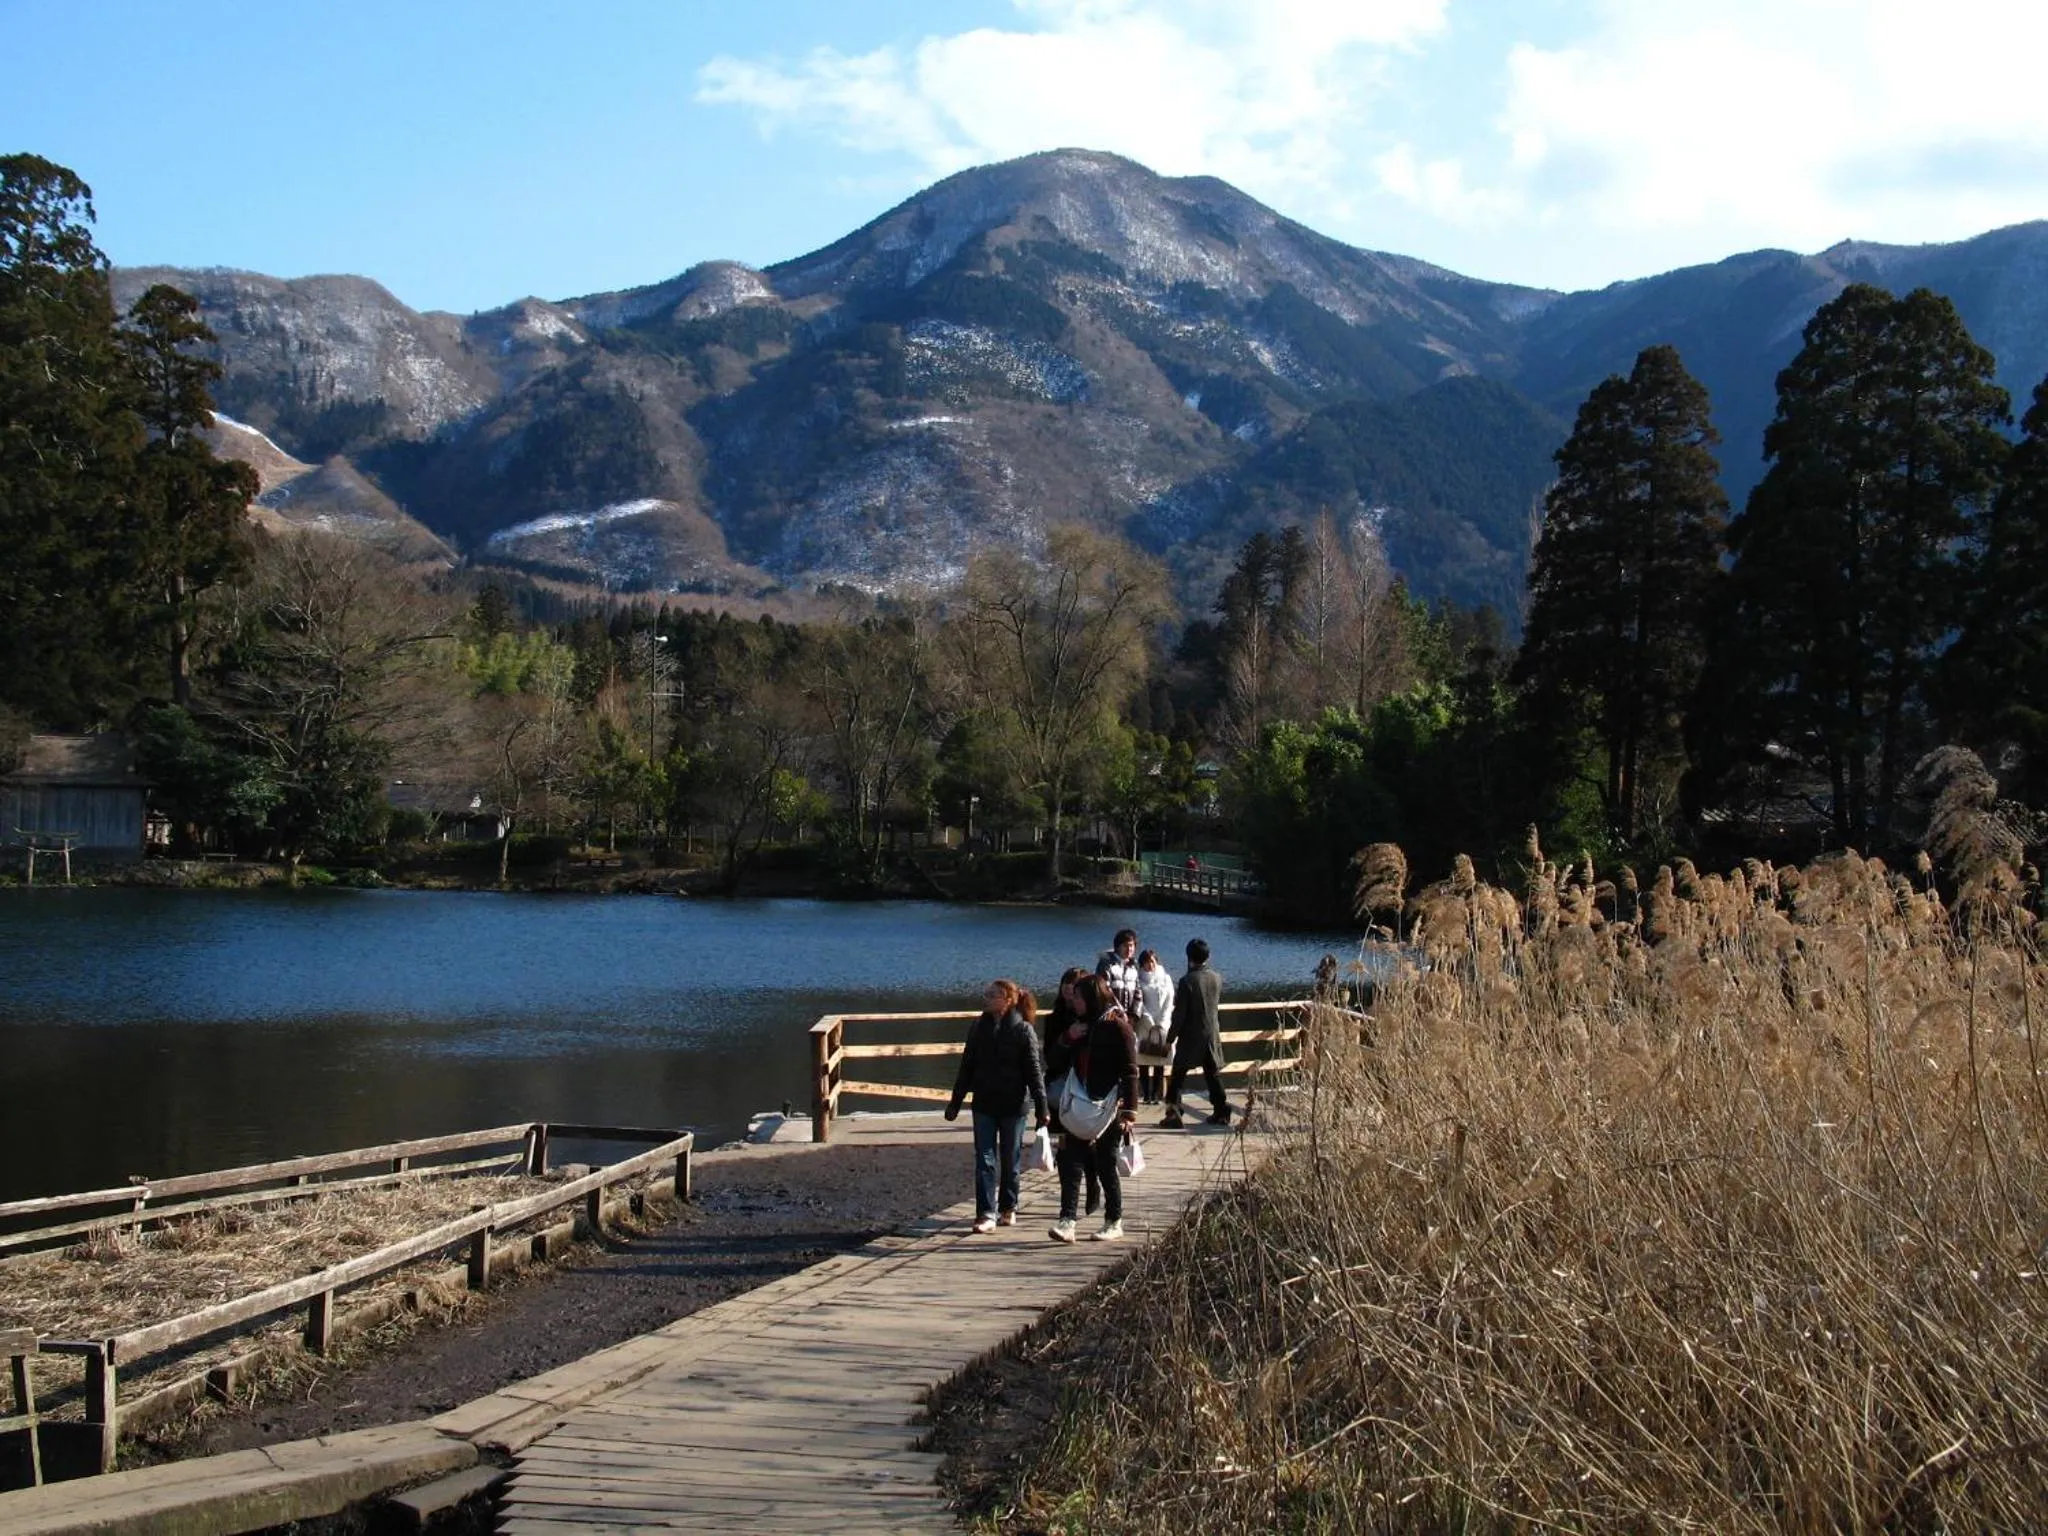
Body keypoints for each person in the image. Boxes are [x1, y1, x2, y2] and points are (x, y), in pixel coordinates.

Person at [945, 978, 1050, 1232]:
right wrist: (955, 1102)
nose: (987, 997)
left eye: (993, 994)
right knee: (984, 1158)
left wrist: (1042, 1107)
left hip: (1014, 1105)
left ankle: (1008, 1207)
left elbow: (1034, 1072)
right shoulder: (978, 1026)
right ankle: (985, 1213)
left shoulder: (1023, 1030)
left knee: (1010, 1158)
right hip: (984, 1103)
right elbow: (966, 1066)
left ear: (1007, 999)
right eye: (987, 993)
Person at [1045, 974, 1139, 1242]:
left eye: (1078, 997)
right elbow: (1053, 1062)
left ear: (1091, 998)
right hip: (1077, 1101)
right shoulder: (1080, 1026)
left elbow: (1130, 1071)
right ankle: (1067, 1220)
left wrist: (1129, 1111)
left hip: (1109, 1104)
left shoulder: (1117, 1026)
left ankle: (1114, 1219)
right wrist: (1067, 1038)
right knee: (1070, 1160)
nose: (1073, 1001)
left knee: (1105, 1163)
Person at [1043, 966, 1102, 1215]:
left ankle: (1092, 1186)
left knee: (1087, 1145)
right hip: (1060, 1090)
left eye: (1074, 987)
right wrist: (1067, 1037)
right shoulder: (1054, 1019)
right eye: (1066, 985)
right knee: (1065, 1149)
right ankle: (1068, 1204)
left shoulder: (1097, 1019)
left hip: (1086, 1092)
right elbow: (1050, 1057)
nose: (1069, 991)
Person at [1162, 936, 1231, 1129]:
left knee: (1177, 1075)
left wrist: (1170, 1038)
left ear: (1189, 957)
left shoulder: (1187, 981)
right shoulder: (1216, 978)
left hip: (1191, 1035)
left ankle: (1173, 1112)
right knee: (1212, 1074)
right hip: (1211, 1032)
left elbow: (1180, 1014)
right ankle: (1221, 1111)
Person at [1134, 947, 1174, 1105]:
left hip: (1162, 1024)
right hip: (1144, 1024)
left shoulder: (1165, 978)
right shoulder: (1138, 979)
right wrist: (1147, 1018)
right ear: (1141, 964)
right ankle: (1146, 1094)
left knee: (1160, 1060)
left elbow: (1170, 999)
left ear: (1157, 961)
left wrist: (1163, 1021)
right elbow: (1137, 1000)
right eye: (1146, 962)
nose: (1149, 965)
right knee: (1143, 1059)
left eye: (1152, 961)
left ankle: (1157, 1095)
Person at [1096, 927, 1142, 1019]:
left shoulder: (1134, 967)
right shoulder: (1106, 964)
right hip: (1109, 1016)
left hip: (1128, 1018)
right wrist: (1119, 1012)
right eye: (1125, 945)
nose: (1129, 949)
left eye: (1131, 945)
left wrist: (1135, 1015)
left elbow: (1138, 993)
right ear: (1117, 947)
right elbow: (1104, 990)